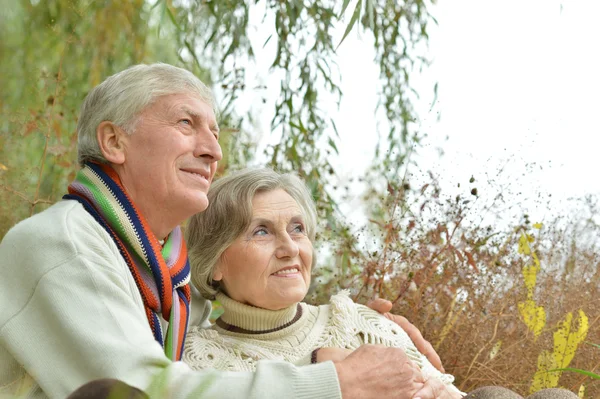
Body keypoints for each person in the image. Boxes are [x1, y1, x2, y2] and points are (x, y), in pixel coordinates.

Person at [0, 62, 450, 399]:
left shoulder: (167, 267)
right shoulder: (63, 245)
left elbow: (241, 343)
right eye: (186, 123)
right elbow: (145, 389)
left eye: (214, 133)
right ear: (114, 142)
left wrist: (350, 331)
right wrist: (333, 382)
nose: (213, 150)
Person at [182, 168, 579, 399]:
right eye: (262, 232)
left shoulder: (359, 322)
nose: (290, 248)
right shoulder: (198, 362)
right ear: (216, 261)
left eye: (298, 229)